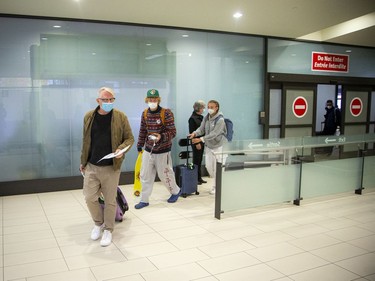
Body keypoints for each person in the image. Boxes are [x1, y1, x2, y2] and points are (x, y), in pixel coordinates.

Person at [80, 87, 134, 247]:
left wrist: (120, 150)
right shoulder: (89, 116)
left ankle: (108, 230)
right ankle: (98, 223)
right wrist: (83, 161)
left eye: (111, 100)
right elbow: (85, 140)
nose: (109, 102)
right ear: (98, 101)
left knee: (110, 200)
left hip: (111, 166)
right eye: (105, 100)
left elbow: (129, 138)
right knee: (90, 197)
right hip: (91, 165)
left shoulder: (120, 117)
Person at [135, 89, 181, 209]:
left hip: (163, 150)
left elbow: (173, 132)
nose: (152, 101)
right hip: (148, 149)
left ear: (158, 99)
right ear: (147, 100)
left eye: (155, 99)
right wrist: (140, 144)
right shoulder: (145, 113)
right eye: (150, 99)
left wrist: (161, 136)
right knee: (145, 175)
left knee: (165, 174)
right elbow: (143, 130)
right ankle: (144, 200)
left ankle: (175, 191)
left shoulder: (166, 113)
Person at [188, 100, 227, 195]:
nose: (209, 109)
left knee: (218, 168)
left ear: (217, 107)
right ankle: (218, 183)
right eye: (208, 107)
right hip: (209, 146)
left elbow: (214, 134)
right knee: (209, 167)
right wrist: (194, 133)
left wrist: (201, 139)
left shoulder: (220, 120)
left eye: (211, 107)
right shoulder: (206, 118)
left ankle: (216, 187)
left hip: (219, 146)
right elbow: (201, 129)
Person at [188, 100, 207, 185]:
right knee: (196, 161)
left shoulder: (201, 117)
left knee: (200, 160)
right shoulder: (192, 119)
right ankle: (195, 178)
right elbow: (192, 132)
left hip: (202, 141)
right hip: (196, 142)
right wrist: (196, 143)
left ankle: (199, 177)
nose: (204, 109)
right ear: (198, 108)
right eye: (203, 108)